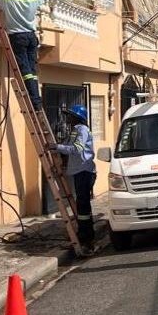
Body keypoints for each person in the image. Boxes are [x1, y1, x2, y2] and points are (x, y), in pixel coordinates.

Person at [0, 0, 49, 109]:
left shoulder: (7, 0)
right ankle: (37, 100)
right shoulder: (33, 0)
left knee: (26, 71)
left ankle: (35, 101)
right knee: (32, 70)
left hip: (18, 37)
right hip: (31, 37)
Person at [53, 104, 96, 255]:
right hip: (79, 171)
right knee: (82, 206)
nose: (68, 118)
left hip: (84, 171)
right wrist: (59, 145)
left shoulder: (82, 129)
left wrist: (57, 147)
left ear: (77, 117)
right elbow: (69, 146)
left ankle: (87, 238)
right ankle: (85, 235)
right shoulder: (75, 130)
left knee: (83, 207)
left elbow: (77, 149)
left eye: (70, 116)